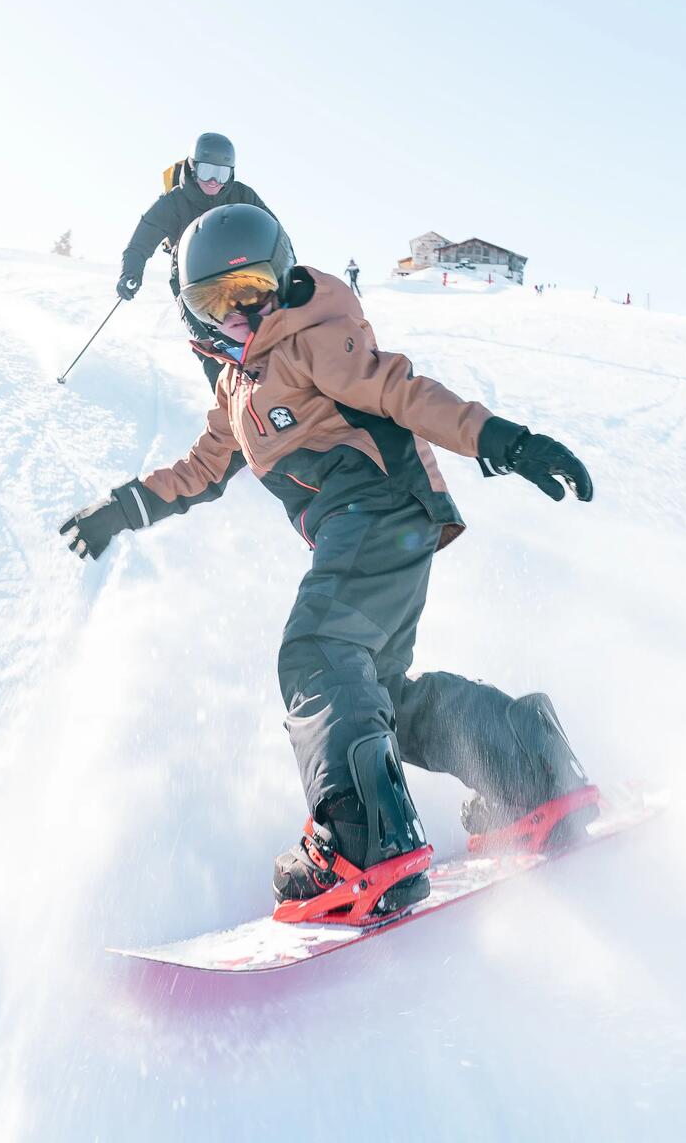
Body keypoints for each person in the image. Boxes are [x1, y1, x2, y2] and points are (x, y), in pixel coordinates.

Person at [60, 205, 598, 923]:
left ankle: (359, 843)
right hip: (379, 530)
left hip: (375, 511)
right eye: (219, 301)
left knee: (315, 652)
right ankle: (529, 767)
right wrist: (121, 509)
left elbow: (402, 391)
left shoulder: (315, 337)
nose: (243, 311)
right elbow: (202, 468)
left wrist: (504, 439)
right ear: (194, 316)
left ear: (280, 277)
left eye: (253, 287)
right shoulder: (236, 388)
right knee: (382, 699)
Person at [117, 132, 276, 388]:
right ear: (192, 168)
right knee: (209, 337)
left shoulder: (242, 195)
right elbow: (140, 242)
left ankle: (279, 389)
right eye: (207, 172)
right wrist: (131, 273)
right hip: (191, 281)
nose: (214, 181)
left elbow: (273, 232)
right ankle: (226, 401)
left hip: (239, 272)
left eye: (222, 174)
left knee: (261, 325)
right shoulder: (173, 203)